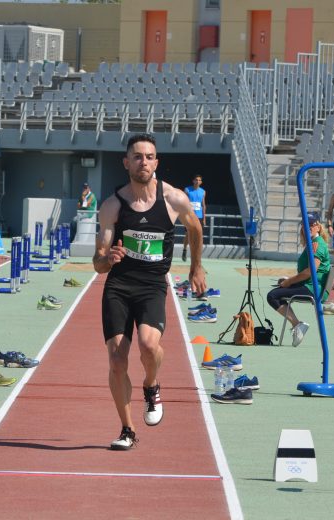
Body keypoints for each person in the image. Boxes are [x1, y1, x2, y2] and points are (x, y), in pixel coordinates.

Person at [94, 134, 206, 450]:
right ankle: (127, 430)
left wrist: (196, 267)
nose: (143, 161)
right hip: (118, 286)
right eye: (137, 156)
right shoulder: (112, 206)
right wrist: (107, 259)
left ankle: (151, 384)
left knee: (148, 345)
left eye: (149, 156)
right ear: (126, 162)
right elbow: (98, 262)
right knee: (117, 360)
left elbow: (195, 228)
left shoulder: (174, 199)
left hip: (152, 286)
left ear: (156, 162)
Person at [266, 214, 331, 347]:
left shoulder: (317, 245)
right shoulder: (313, 243)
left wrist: (289, 282)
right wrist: (289, 280)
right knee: (278, 292)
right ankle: (297, 325)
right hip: (310, 285)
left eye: (312, 224)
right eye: (305, 225)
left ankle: (297, 324)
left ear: (318, 227)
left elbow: (310, 271)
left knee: (272, 296)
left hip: (313, 289)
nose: (308, 227)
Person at [182, 174, 206, 262]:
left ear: (201, 182)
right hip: (189, 215)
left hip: (199, 216)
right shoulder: (187, 190)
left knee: (198, 235)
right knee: (188, 234)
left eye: (199, 180)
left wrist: (204, 218)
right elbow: (183, 202)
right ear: (193, 181)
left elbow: (203, 205)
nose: (197, 181)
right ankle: (185, 249)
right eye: (196, 180)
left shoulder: (203, 192)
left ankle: (195, 254)